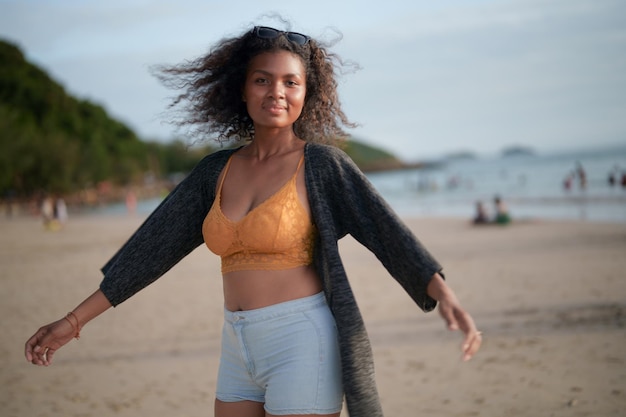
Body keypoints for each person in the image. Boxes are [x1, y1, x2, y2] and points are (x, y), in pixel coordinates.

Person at [25, 24, 482, 417]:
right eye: (263, 80)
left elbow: (388, 232)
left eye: (290, 82)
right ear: (241, 88)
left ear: (308, 92)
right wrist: (73, 321)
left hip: (302, 339)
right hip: (236, 343)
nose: (277, 93)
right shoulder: (214, 171)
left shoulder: (322, 166)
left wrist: (443, 293)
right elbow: (148, 253)